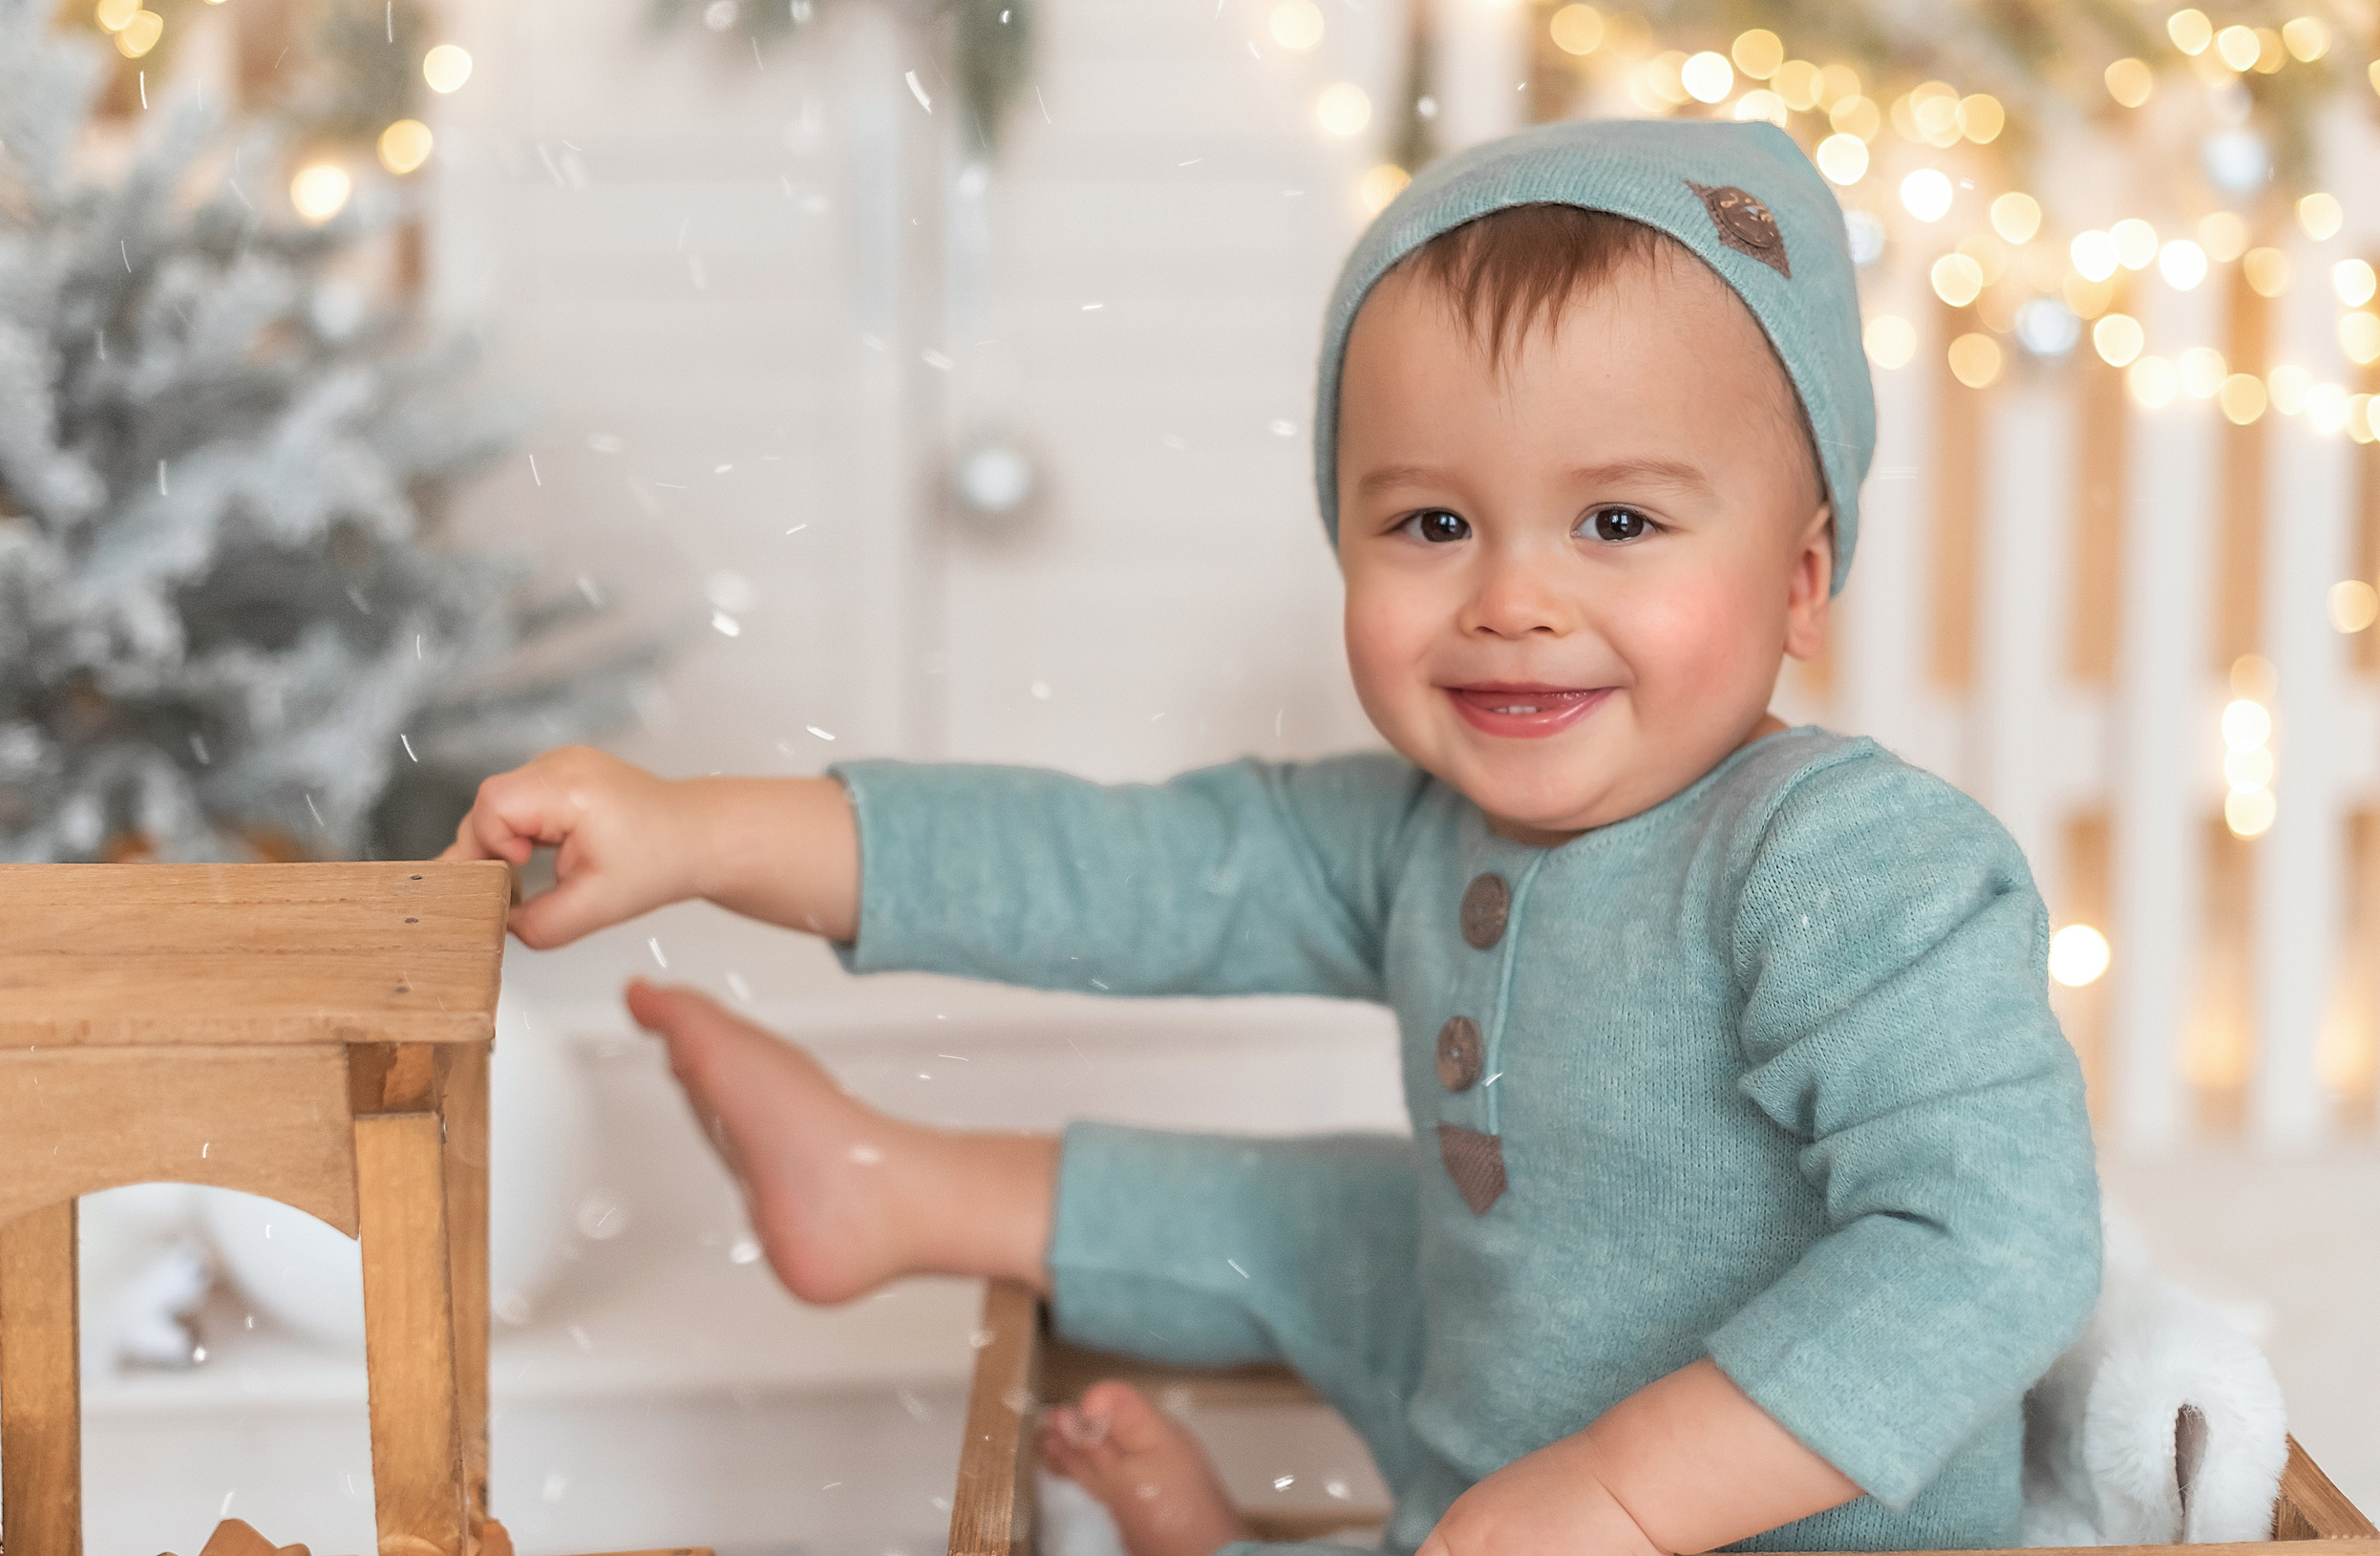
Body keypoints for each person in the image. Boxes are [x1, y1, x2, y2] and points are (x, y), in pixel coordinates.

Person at [443, 118, 2102, 1556]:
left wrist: (1625, 1497)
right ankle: (900, 1188)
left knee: (1360, 1227)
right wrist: (694, 831)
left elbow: (1994, 1241)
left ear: (1804, 576)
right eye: (1432, 523)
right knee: (1349, 1221)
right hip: (1489, 1465)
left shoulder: (1847, 861)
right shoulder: (1405, 834)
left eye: (1619, 521)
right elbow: (1097, 868)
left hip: (1773, 1521)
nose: (1515, 599)